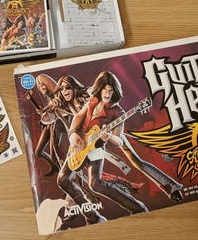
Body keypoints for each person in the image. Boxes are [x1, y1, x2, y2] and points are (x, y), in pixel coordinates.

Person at [57, 71, 183, 225]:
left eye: (111, 91)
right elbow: (78, 116)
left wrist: (109, 137)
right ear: (99, 89)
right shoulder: (92, 100)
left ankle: (138, 207)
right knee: (62, 179)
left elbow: (118, 141)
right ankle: (92, 216)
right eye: (104, 90)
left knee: (97, 183)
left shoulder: (117, 111)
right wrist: (72, 134)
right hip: (80, 144)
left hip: (97, 147)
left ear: (115, 91)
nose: (107, 94)